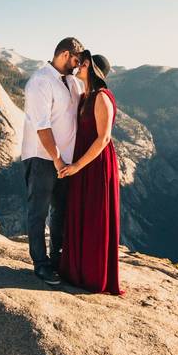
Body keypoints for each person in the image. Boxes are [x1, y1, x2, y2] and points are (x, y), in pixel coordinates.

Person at [57, 51, 123, 295]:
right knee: (81, 212)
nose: (79, 66)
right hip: (84, 164)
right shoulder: (86, 96)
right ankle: (77, 272)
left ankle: (94, 277)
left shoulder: (101, 97)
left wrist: (76, 166)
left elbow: (103, 138)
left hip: (95, 165)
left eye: (84, 64)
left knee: (95, 215)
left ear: (94, 69)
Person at [21, 37, 85, 285]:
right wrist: (57, 159)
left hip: (67, 160)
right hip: (41, 157)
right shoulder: (40, 82)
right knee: (38, 211)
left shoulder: (71, 82)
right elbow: (42, 126)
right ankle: (40, 264)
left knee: (61, 211)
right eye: (76, 60)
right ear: (65, 54)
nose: (78, 66)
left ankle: (58, 260)